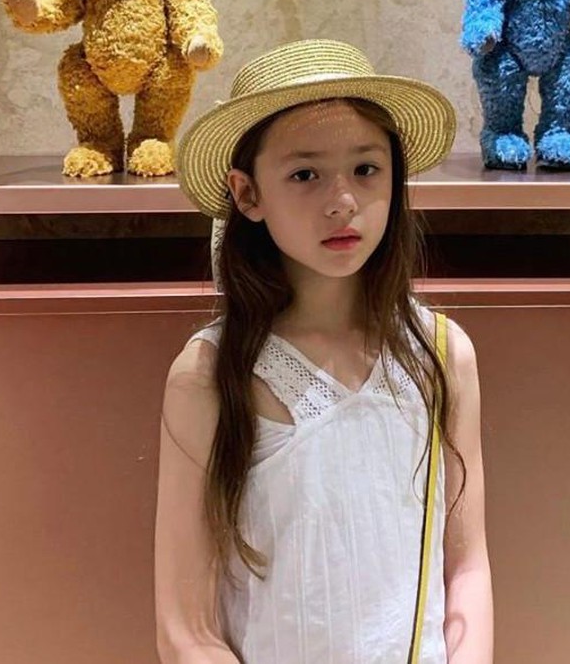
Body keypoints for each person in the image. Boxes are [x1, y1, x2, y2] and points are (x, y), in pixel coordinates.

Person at [155, 39, 493, 664]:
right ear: (247, 194)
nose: (343, 200)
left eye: (366, 169)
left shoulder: (441, 355)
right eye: (305, 174)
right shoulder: (210, 375)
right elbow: (186, 629)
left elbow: (466, 567)